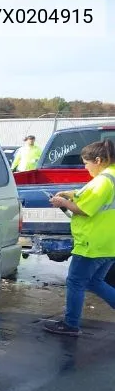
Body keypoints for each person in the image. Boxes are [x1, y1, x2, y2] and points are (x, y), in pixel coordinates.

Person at [42, 139, 115, 336]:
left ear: (98, 160)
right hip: (109, 243)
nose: (85, 167)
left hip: (92, 244)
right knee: (94, 281)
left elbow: (85, 209)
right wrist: (71, 193)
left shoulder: (104, 181)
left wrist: (61, 202)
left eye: (86, 163)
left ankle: (70, 324)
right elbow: (91, 196)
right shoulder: (112, 176)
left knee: (75, 281)